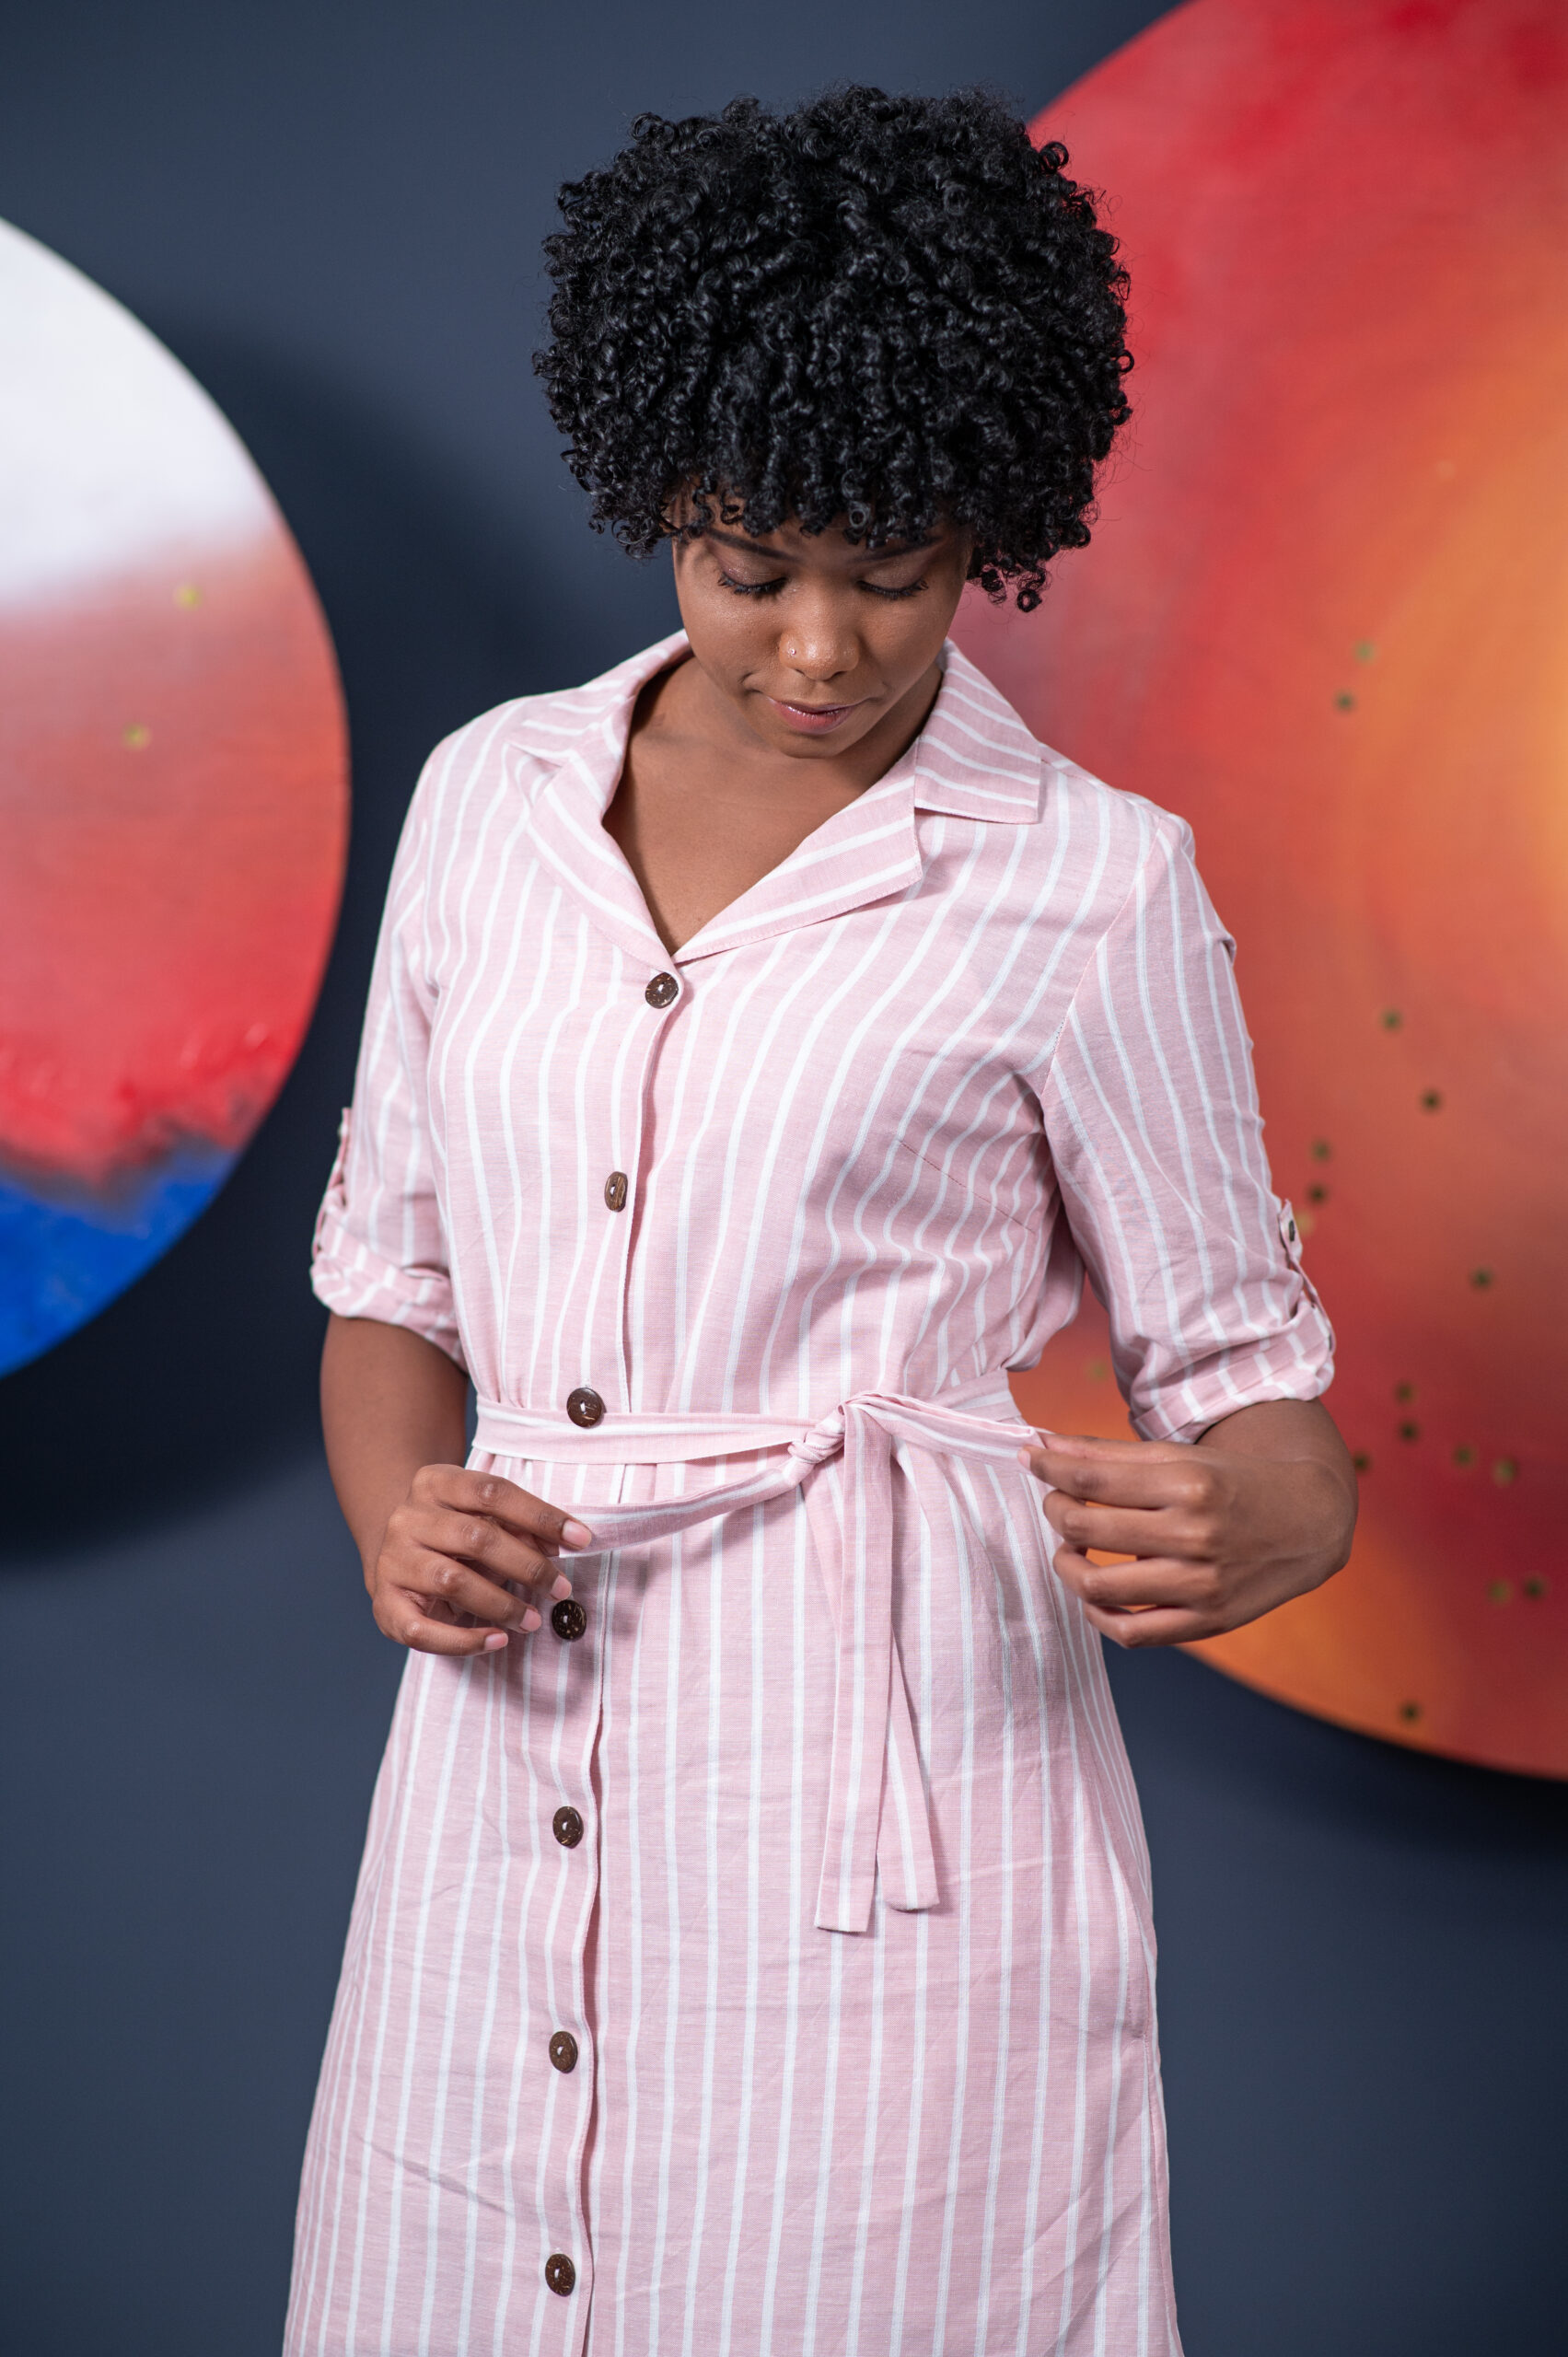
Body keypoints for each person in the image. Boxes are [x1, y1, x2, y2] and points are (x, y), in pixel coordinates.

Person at [285, 87, 1353, 2357]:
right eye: (750, 563)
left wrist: (1267, 1516)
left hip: (895, 1781)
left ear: (992, 524)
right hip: (500, 1756)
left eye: (897, 566)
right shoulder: (489, 804)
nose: (824, 643)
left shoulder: (1092, 885)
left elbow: (1257, 1399)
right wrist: (401, 1522)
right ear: (660, 495)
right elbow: (393, 1283)